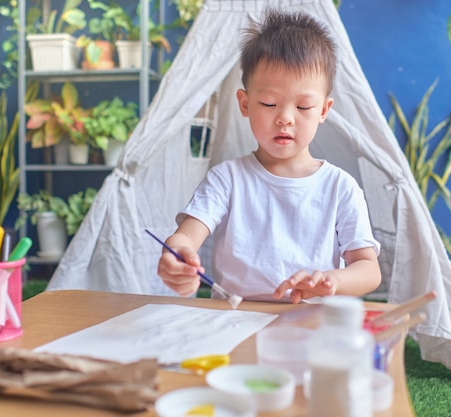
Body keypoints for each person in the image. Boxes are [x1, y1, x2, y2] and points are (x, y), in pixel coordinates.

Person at [156, 9, 381, 303]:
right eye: (269, 103)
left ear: (323, 111)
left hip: (309, 329)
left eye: (303, 107)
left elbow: (368, 269)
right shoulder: (227, 179)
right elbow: (185, 237)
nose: (285, 118)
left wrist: (331, 280)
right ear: (245, 103)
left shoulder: (341, 187)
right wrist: (177, 254)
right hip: (234, 325)